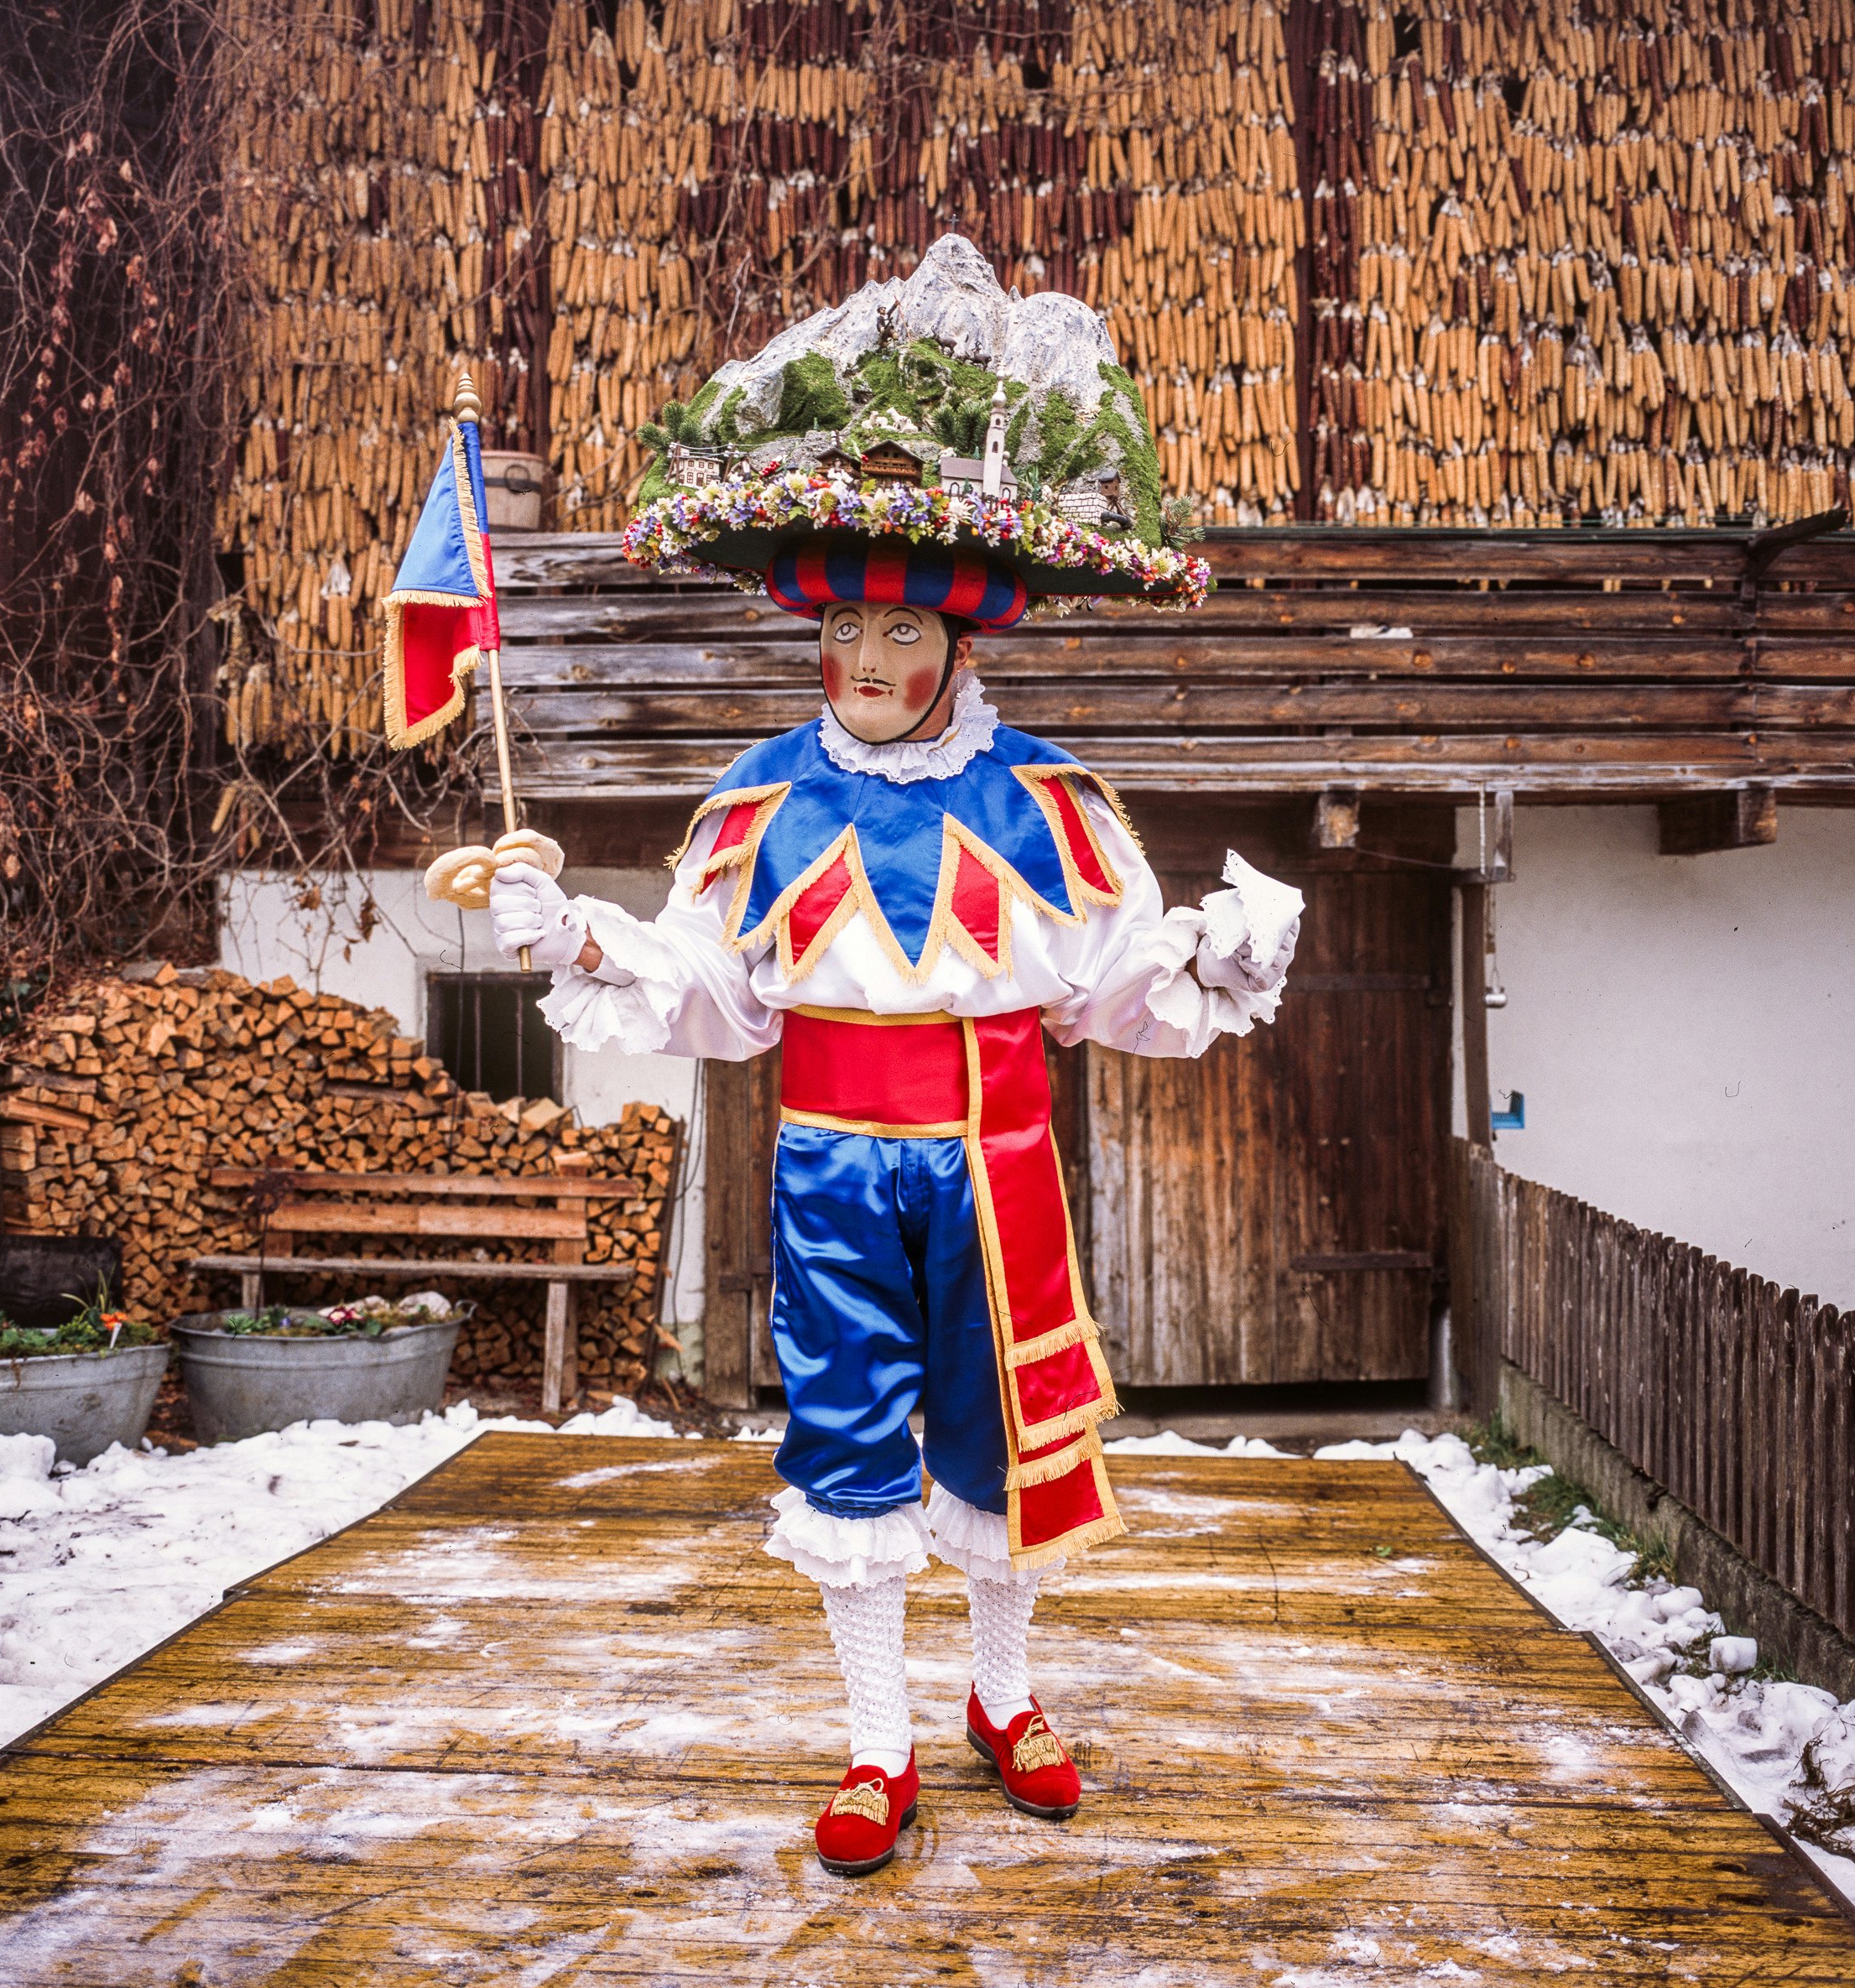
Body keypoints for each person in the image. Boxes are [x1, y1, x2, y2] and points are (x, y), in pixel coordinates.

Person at [486, 237, 1301, 1876]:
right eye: (846, 630)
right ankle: (877, 1742)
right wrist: (575, 935)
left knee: (1003, 1435)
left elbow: (1110, 992)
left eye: (903, 633)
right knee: (850, 1438)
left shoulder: (1049, 803)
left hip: (998, 1162)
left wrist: (1208, 955)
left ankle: (1005, 1694)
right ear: (815, 632)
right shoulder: (759, 804)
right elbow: (712, 993)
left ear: (960, 640)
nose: (870, 663)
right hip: (829, 1173)